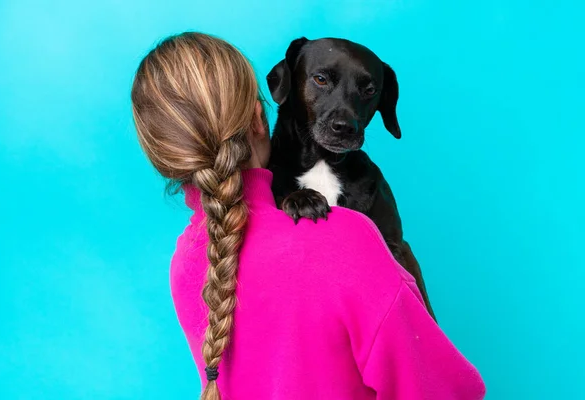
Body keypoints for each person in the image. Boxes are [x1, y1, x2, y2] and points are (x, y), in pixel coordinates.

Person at [131, 32, 486, 400]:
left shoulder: (186, 264)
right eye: (321, 80)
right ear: (258, 117)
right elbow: (448, 390)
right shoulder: (347, 239)